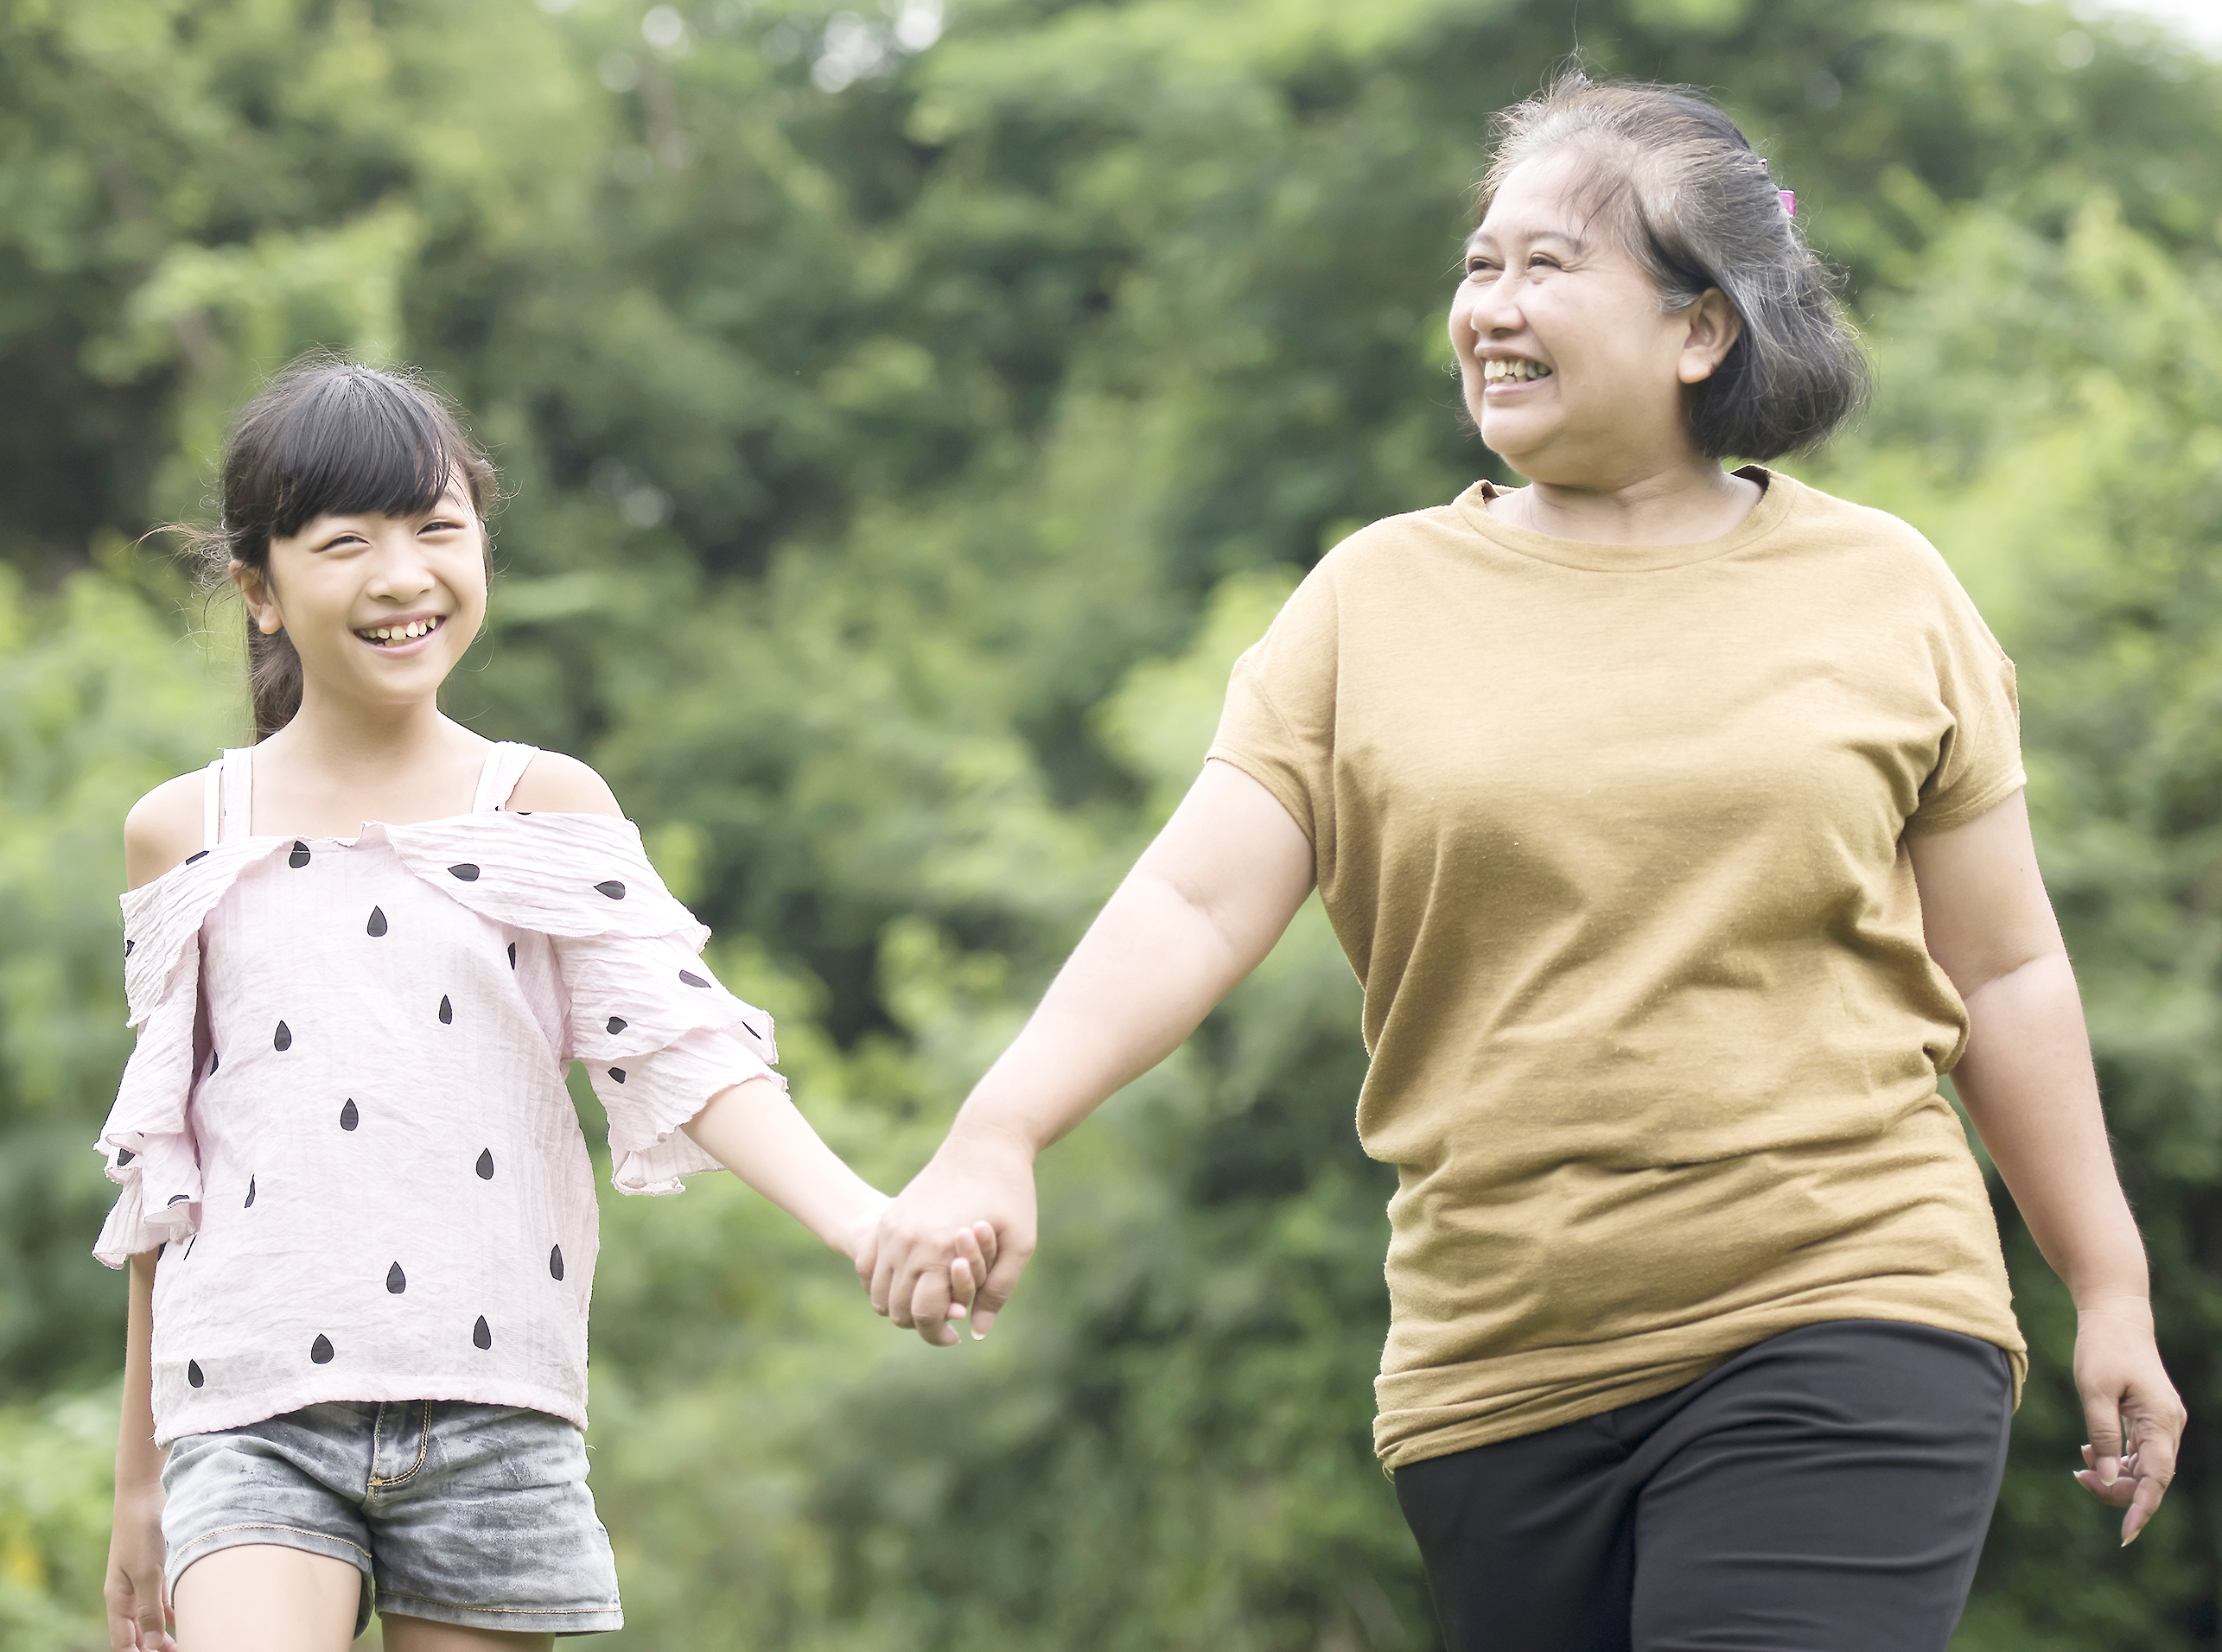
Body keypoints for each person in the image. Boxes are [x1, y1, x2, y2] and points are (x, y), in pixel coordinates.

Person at [859, 73, 2187, 1649]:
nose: (1491, 305)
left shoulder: (1883, 590)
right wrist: (1002, 1126)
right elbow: (1191, 900)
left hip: (1847, 1297)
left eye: (1549, 266)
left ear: (1703, 331)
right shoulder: (1373, 601)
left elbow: (2006, 966)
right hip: (1495, 1368)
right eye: (1479, 265)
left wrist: (2106, 1280)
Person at [94, 359, 942, 1652]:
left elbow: (687, 1046)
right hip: (248, 1405)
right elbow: (165, 1169)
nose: (401, 576)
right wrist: (140, 1482)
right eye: (345, 542)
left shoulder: (544, 810)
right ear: (261, 590)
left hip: (493, 1412)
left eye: (437, 528)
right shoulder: (183, 833)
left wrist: (865, 1220)